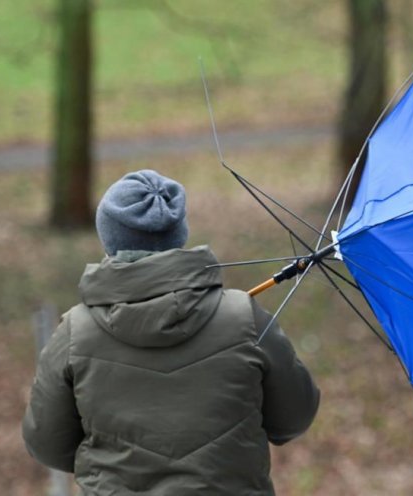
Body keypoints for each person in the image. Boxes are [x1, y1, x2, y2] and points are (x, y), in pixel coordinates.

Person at [23, 169, 320, 495]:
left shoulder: (75, 333)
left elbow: (47, 444)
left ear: (109, 238)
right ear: (179, 234)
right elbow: (294, 417)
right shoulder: (243, 318)